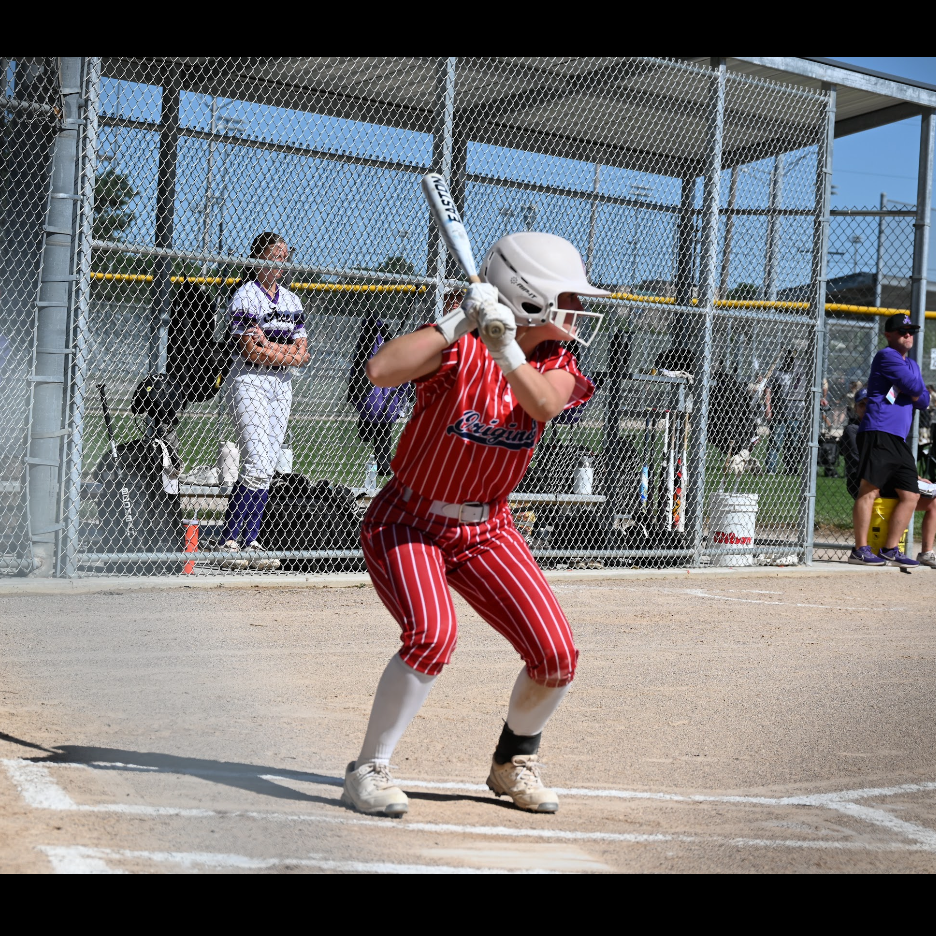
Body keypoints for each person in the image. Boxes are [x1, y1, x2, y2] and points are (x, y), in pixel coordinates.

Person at [341, 232, 610, 817]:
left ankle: (512, 762)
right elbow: (381, 370)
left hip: (488, 530)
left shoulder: (558, 362)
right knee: (432, 635)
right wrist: (461, 320)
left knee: (556, 655)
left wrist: (507, 347)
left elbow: (543, 404)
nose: (578, 308)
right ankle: (368, 768)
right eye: (567, 296)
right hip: (409, 520)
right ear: (529, 296)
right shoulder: (460, 347)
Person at [215, 232, 310, 570]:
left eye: (284, 258)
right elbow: (249, 351)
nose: (280, 265)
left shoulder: (292, 301)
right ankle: (229, 539)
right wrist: (285, 352)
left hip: (281, 384)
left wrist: (269, 345)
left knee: (268, 466)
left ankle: (250, 539)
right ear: (258, 260)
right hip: (249, 379)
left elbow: (303, 353)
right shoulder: (245, 295)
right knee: (256, 461)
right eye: (273, 258)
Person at [848, 313, 930, 567]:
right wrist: (912, 388)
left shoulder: (912, 364)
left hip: (898, 438)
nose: (908, 335)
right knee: (870, 490)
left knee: (911, 494)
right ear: (889, 335)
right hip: (878, 430)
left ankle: (890, 549)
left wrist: (912, 388)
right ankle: (860, 550)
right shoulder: (887, 356)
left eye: (911, 331)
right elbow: (914, 388)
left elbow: (924, 400)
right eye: (902, 331)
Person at [843, 387, 936, 568]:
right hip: (867, 480)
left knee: (933, 502)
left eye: (869, 403)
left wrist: (915, 478)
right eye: (862, 405)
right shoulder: (854, 430)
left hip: (889, 481)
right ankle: (866, 549)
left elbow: (895, 461)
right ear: (855, 409)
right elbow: (859, 464)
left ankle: (926, 552)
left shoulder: (889, 430)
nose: (866, 407)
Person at [764, 349, 807, 474]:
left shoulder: (802, 373)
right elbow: (768, 390)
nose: (790, 361)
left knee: (794, 443)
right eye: (788, 358)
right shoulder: (777, 373)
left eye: (793, 358)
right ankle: (771, 468)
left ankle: (791, 468)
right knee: (776, 441)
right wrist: (768, 408)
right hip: (780, 413)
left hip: (797, 413)